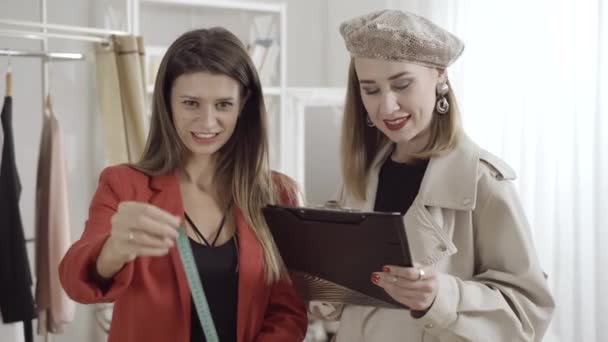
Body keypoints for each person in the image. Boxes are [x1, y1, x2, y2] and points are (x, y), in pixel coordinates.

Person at [313, 9, 555, 341]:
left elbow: (529, 312)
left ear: (440, 76)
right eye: (370, 90)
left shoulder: (483, 183)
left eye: (402, 84)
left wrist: (440, 297)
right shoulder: (360, 179)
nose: (387, 106)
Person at [59, 27, 307, 342]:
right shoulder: (125, 185)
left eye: (223, 105)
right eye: (191, 103)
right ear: (167, 102)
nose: (206, 121)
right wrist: (113, 250)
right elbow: (73, 281)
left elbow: (289, 311)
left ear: (243, 104)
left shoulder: (276, 193)